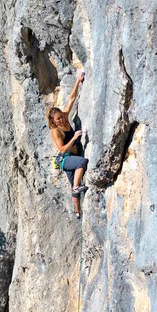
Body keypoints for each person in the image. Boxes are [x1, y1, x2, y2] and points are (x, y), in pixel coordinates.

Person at [46, 72, 88, 219]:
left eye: (62, 116)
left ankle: (77, 212)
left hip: (72, 157)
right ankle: (77, 188)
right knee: (82, 163)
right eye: (58, 119)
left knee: (74, 188)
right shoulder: (56, 132)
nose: (62, 119)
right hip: (65, 159)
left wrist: (78, 81)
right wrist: (75, 137)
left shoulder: (65, 117)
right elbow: (62, 149)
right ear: (54, 122)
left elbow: (71, 98)